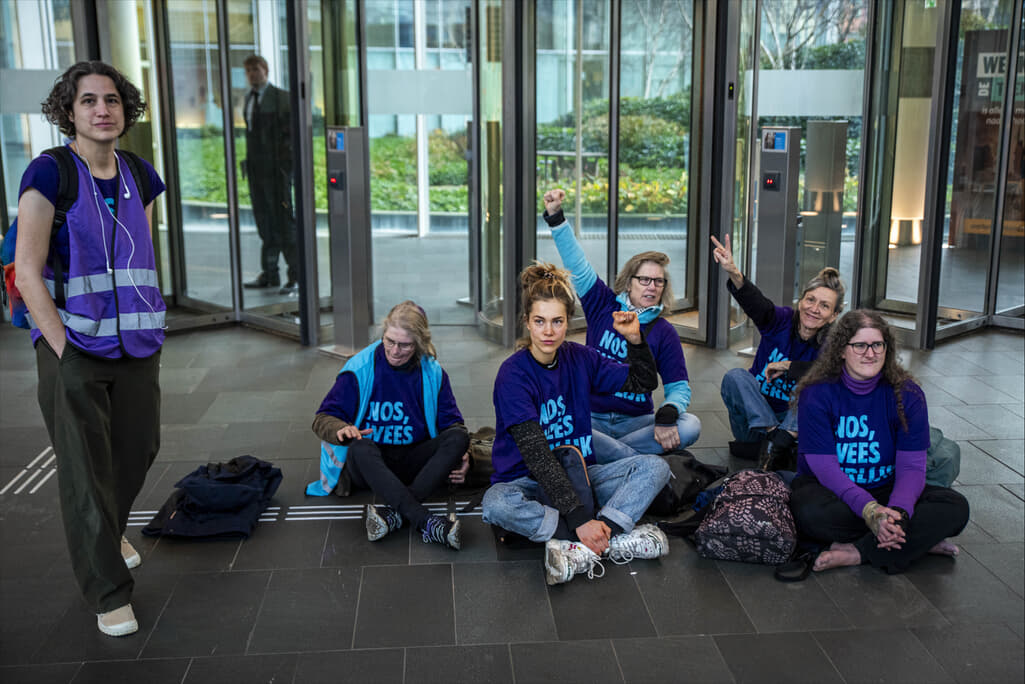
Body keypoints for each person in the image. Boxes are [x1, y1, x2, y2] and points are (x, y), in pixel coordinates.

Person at [15, 61, 167, 636]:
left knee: (137, 450)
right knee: (84, 472)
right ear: (69, 112)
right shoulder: (50, 173)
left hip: (136, 344)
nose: (102, 109)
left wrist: (149, 326)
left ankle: (109, 534)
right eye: (88, 101)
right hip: (72, 345)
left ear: (125, 110)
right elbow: (28, 272)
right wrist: (62, 349)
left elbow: (141, 256)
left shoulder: (138, 173)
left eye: (112, 100)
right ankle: (108, 592)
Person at [481, 263, 672, 585]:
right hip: (528, 482)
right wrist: (582, 519)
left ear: (568, 322)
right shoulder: (512, 375)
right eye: (539, 321)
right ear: (527, 322)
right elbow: (538, 455)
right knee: (496, 504)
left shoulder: (580, 357)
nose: (548, 331)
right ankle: (604, 536)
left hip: (581, 475)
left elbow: (643, 383)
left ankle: (579, 547)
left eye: (557, 321)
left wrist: (636, 341)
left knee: (655, 467)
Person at [789, 310, 970, 573]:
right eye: (860, 345)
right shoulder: (817, 393)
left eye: (877, 345)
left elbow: (911, 468)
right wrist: (871, 512)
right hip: (834, 492)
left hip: (886, 489)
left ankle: (859, 551)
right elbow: (826, 470)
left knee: (955, 508)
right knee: (807, 512)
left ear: (887, 348)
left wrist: (896, 514)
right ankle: (912, 542)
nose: (870, 353)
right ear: (841, 350)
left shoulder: (907, 394)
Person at [541, 188, 700, 459]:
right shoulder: (602, 304)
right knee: (550, 424)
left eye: (658, 281)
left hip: (637, 424)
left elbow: (678, 387)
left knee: (690, 425)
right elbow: (577, 265)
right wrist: (556, 217)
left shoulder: (664, 332)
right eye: (645, 280)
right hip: (592, 417)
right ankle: (632, 460)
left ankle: (601, 456)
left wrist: (669, 411)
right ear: (629, 281)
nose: (652, 287)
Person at [306, 301, 470, 550]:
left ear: (419, 344)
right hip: (371, 464)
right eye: (389, 341)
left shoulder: (433, 372)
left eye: (405, 345)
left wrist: (464, 454)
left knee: (459, 438)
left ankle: (394, 515)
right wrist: (341, 429)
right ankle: (426, 522)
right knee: (360, 445)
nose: (394, 351)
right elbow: (322, 418)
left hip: (413, 460)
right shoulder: (359, 368)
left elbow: (452, 424)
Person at [711, 233, 845, 465]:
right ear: (800, 301)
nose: (814, 309)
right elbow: (757, 304)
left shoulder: (832, 342)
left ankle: (781, 441)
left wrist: (789, 366)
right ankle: (775, 440)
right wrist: (734, 272)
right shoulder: (782, 320)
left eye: (824, 306)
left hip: (796, 428)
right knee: (735, 376)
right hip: (755, 427)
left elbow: (835, 373)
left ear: (834, 315)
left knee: (821, 384)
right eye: (810, 300)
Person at [241, 54, 298, 294]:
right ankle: (270, 273)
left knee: (284, 223)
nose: (253, 74)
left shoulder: (282, 98)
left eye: (256, 69)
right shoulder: (249, 99)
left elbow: (291, 139)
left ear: (266, 70)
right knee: (265, 223)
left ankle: (295, 276)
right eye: (249, 71)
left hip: (277, 174)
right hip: (257, 173)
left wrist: (286, 170)